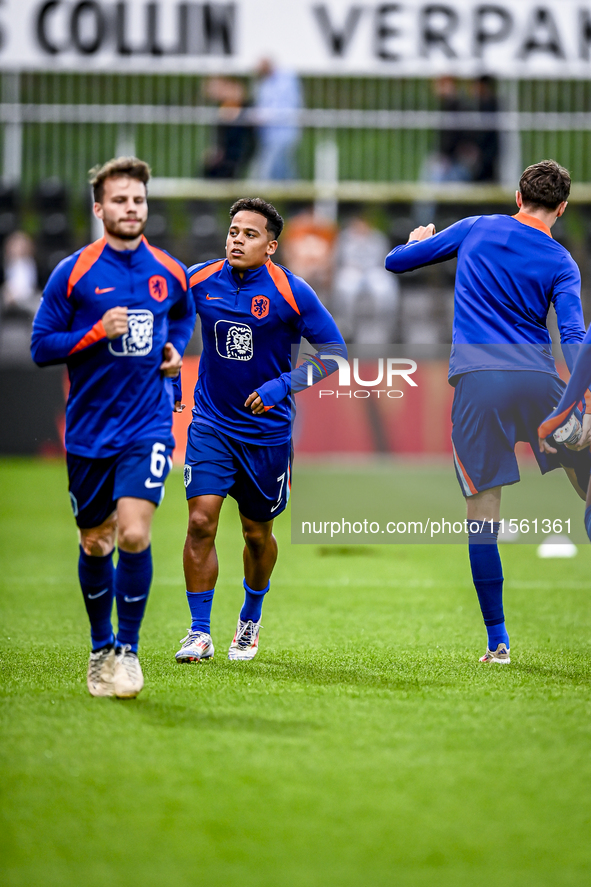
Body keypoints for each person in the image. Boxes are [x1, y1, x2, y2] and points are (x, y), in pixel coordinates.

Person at [385, 159, 591, 664]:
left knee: (483, 515)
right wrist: (580, 400)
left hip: (479, 384)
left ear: (518, 197)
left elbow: (396, 263)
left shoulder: (477, 227)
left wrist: (415, 239)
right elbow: (572, 338)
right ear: (561, 209)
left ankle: (497, 643)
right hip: (541, 383)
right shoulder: (563, 262)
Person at [31, 157, 195, 698]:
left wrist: (173, 352)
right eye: (121, 200)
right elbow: (41, 347)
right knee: (96, 543)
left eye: (139, 200)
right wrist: (96, 332)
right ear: (100, 208)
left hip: (146, 423)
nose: (132, 208)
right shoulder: (73, 273)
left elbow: (182, 314)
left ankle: (126, 650)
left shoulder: (168, 271)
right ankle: (100, 647)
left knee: (133, 533)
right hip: (88, 430)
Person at [174, 197, 345, 663]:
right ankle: (199, 631)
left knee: (255, 534)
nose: (237, 240)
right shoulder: (198, 279)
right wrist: (168, 363)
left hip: (266, 436)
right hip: (211, 423)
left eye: (250, 234)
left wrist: (282, 385)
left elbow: (334, 354)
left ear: (271, 246)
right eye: (233, 231)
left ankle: (249, 619)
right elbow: (166, 316)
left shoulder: (292, 292)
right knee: (200, 521)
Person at [252, 59, 302, 181]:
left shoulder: (286, 80)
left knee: (267, 170)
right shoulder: (265, 83)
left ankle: (259, 197)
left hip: (284, 133)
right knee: (283, 170)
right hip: (269, 135)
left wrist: (267, 115)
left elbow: (291, 106)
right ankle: (297, 196)